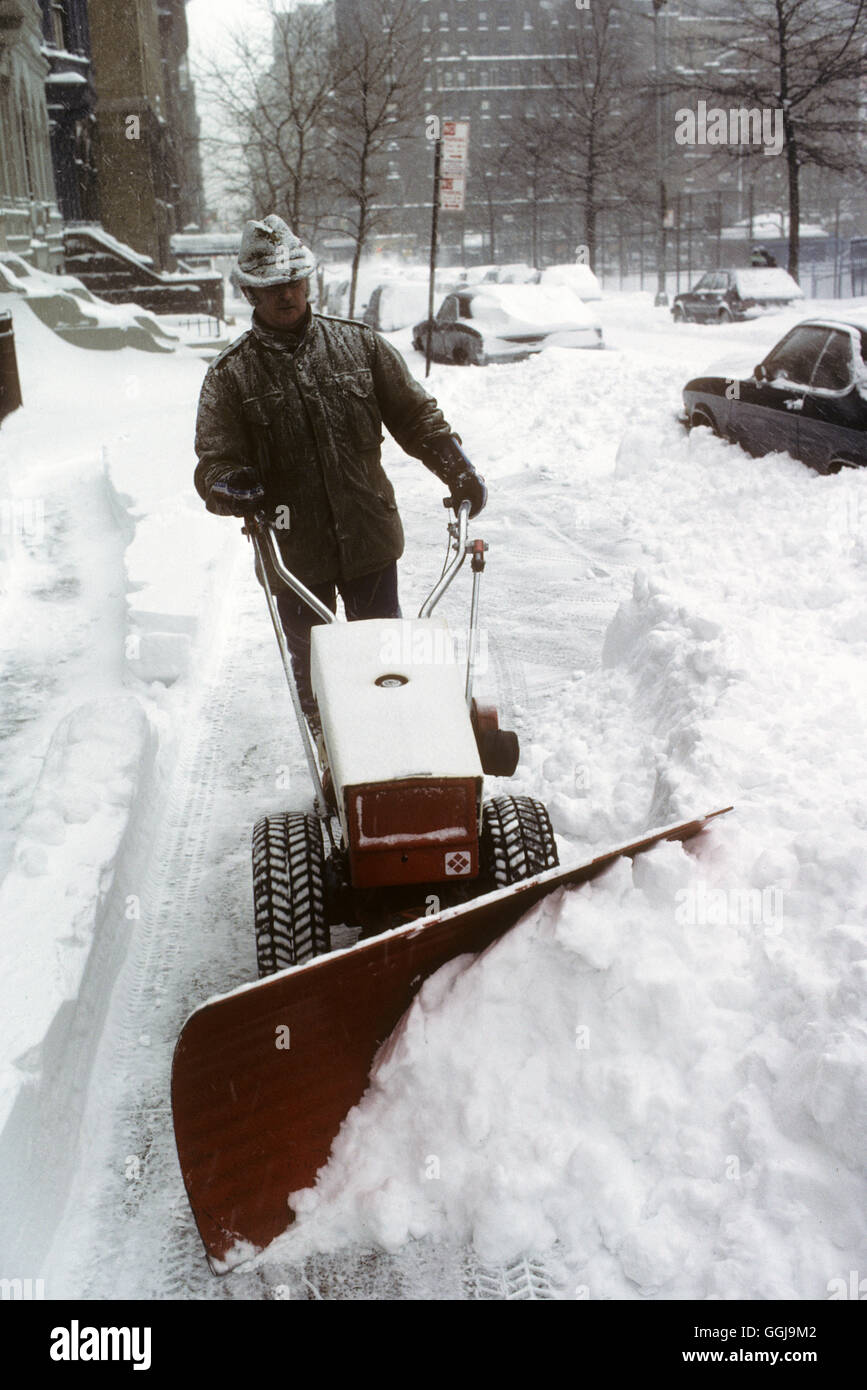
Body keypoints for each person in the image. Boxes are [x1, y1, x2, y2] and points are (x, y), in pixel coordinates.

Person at [194, 214, 487, 731]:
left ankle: (394, 759)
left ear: (309, 281)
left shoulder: (360, 346)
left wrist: (455, 467)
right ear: (249, 293)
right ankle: (336, 776)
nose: (287, 295)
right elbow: (213, 463)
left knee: (385, 665)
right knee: (320, 678)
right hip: (292, 552)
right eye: (272, 287)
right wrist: (229, 484)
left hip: (368, 536)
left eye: (295, 282)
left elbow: (416, 418)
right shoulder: (231, 376)